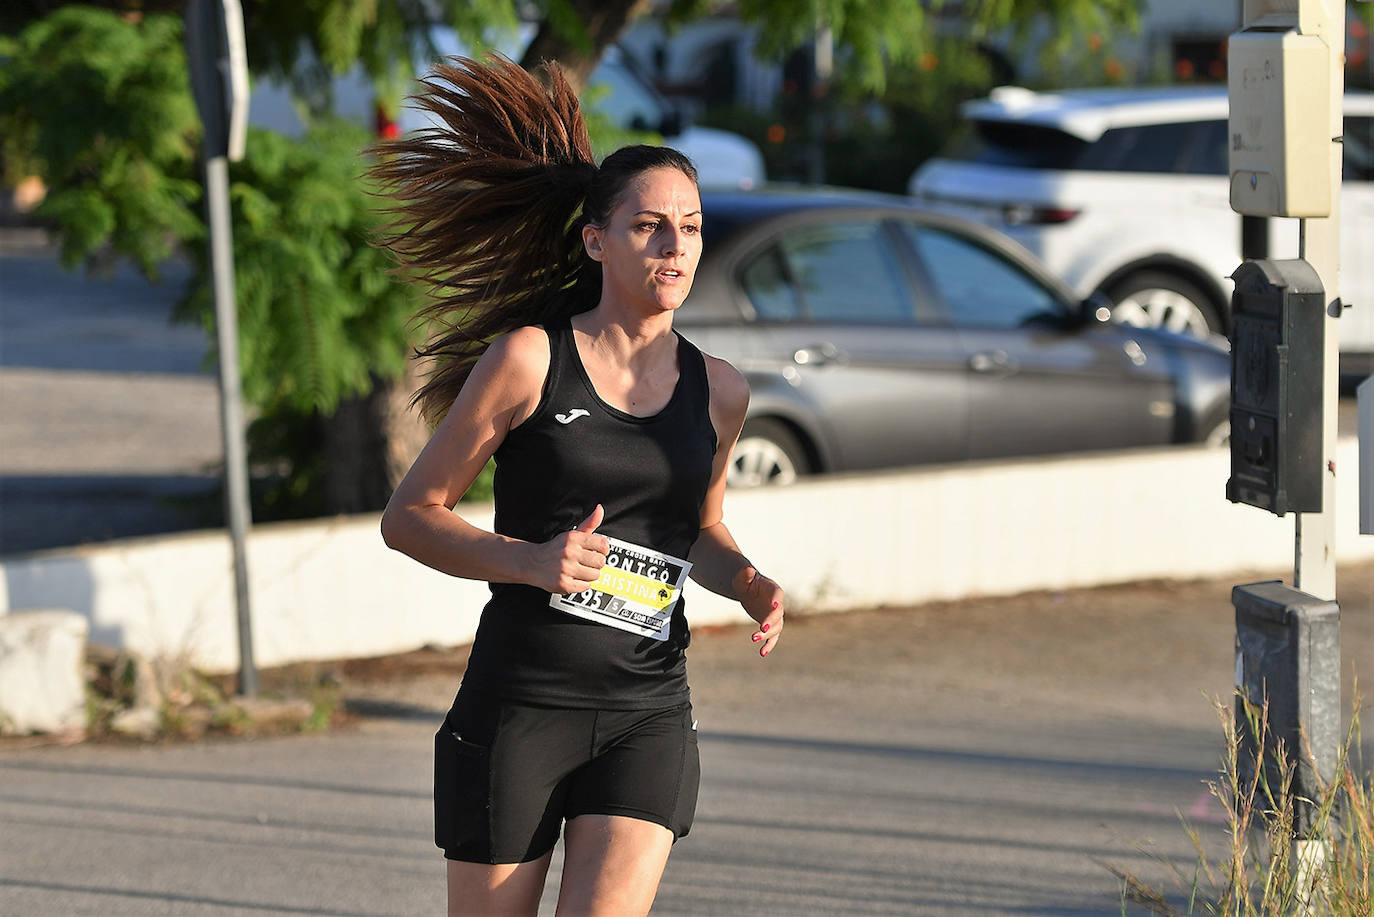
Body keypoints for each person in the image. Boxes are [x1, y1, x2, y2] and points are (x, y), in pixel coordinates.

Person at [371, 55, 785, 917]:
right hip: (521, 704)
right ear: (596, 239)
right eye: (649, 227)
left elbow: (700, 527)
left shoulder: (722, 390)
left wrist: (747, 580)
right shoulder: (529, 358)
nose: (675, 247)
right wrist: (532, 561)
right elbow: (410, 517)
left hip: (646, 706)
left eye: (691, 227)